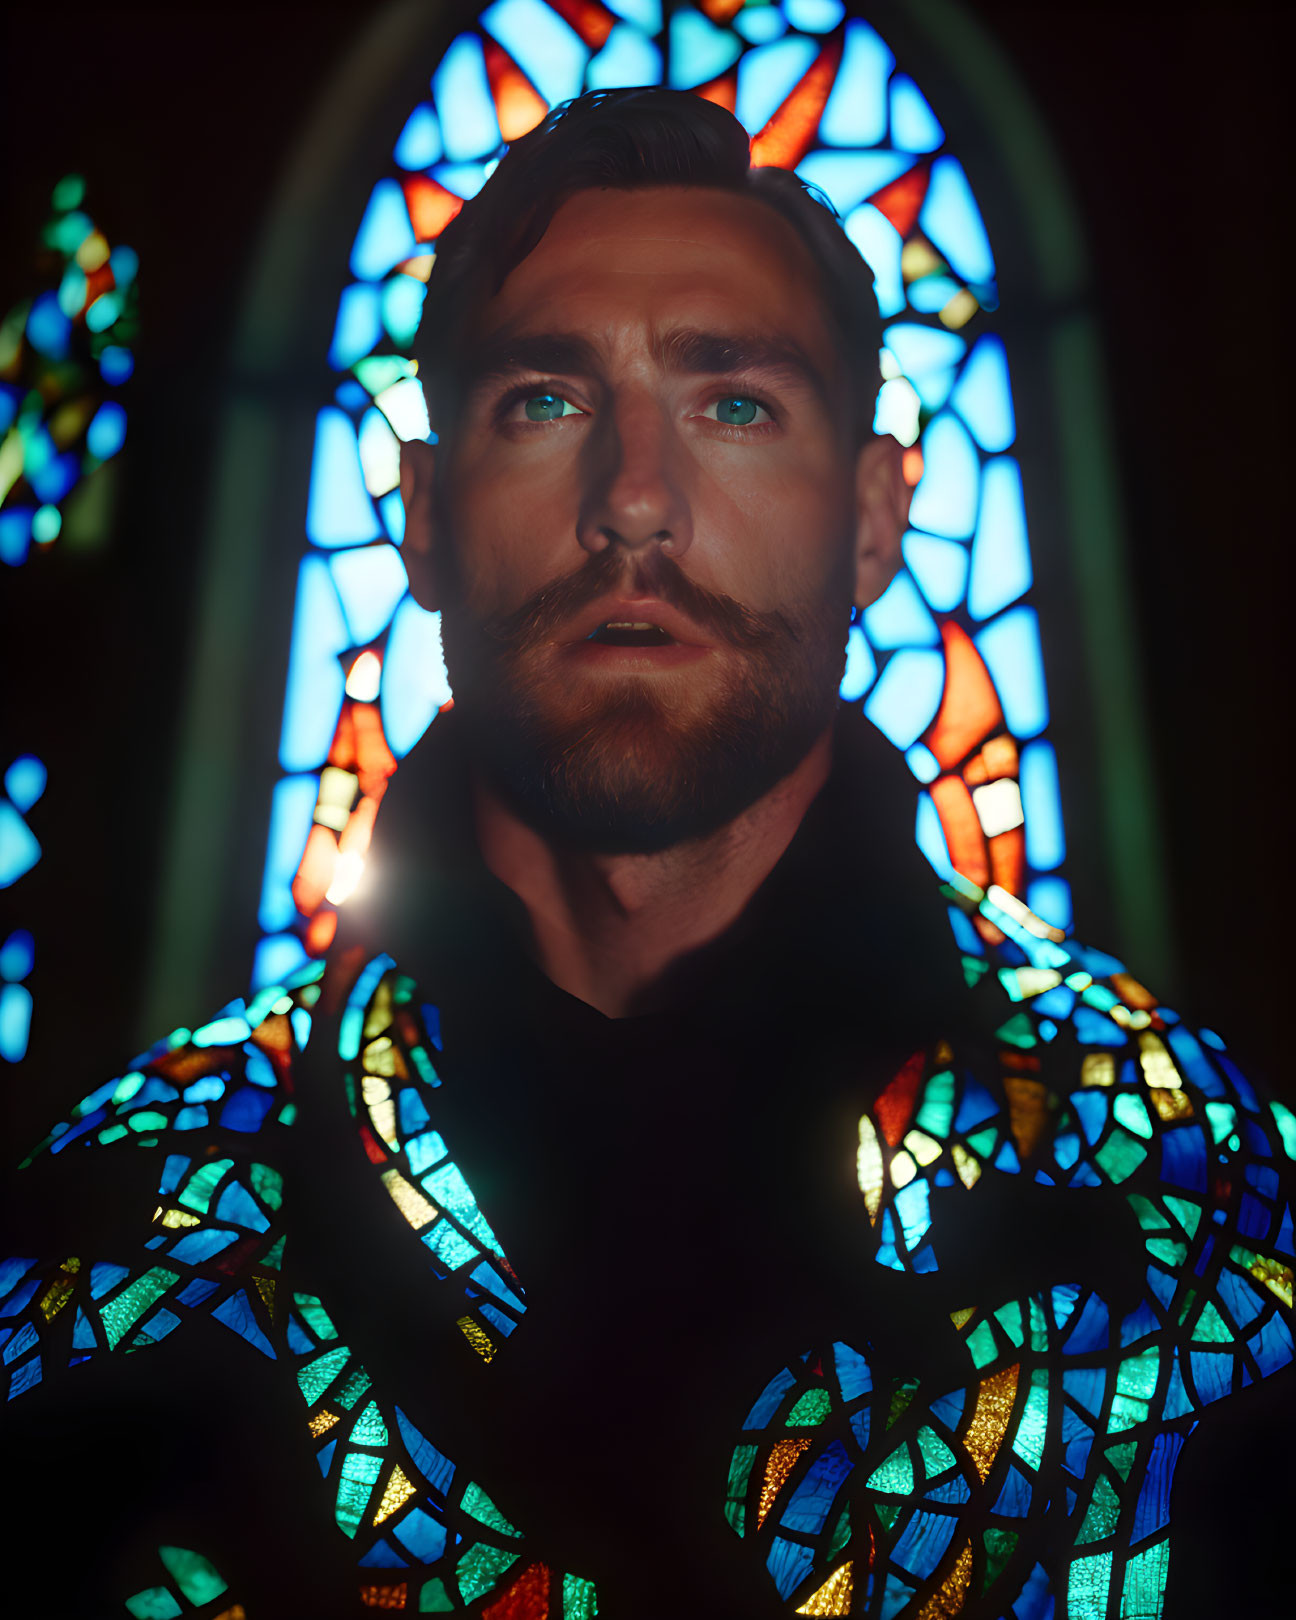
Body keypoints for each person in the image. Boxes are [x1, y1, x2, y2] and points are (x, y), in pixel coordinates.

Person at [2, 90, 1291, 1620]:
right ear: (418, 516)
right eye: (543, 401)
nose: (632, 503)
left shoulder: (1203, 1195)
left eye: (734, 403)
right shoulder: (124, 1218)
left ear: (877, 517)